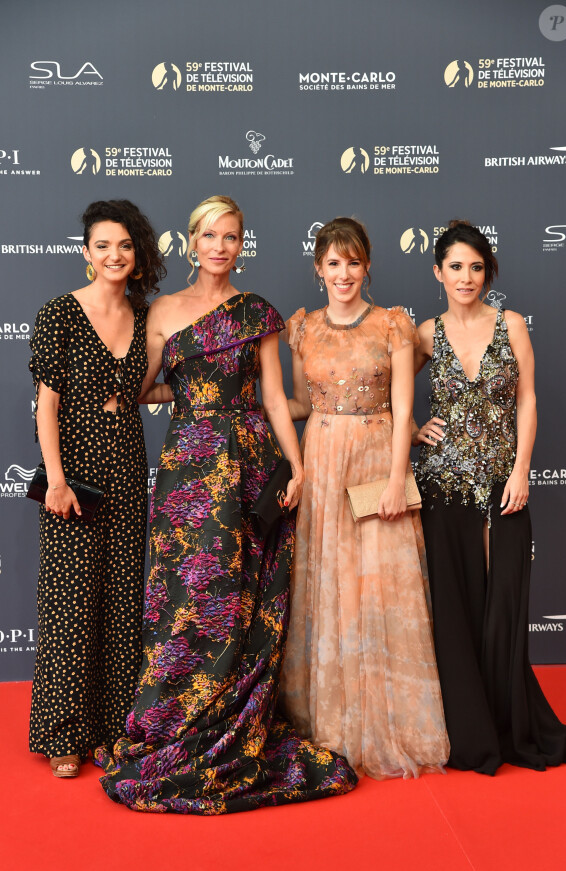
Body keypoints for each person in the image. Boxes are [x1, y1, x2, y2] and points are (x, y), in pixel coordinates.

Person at [95, 195, 357, 813]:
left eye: (231, 237)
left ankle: (234, 719)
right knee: (183, 598)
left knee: (242, 596)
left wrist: (294, 467)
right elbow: (143, 387)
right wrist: (180, 400)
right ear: (192, 241)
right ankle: (173, 718)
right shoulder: (161, 310)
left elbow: (273, 397)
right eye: (210, 235)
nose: (220, 246)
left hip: (249, 466)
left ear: (242, 244)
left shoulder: (257, 312)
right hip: (187, 471)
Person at [278, 217, 449, 779]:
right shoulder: (301, 329)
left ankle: (387, 718)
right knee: (329, 583)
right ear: (318, 268)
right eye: (333, 263)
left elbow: (403, 407)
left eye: (353, 262)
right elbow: (302, 404)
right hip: (324, 459)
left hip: (379, 459)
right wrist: (255, 416)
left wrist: (399, 477)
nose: (343, 273)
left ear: (367, 265)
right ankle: (332, 719)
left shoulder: (394, 325)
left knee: (382, 584)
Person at [413, 220, 566, 774]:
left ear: (489, 273)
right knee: (458, 611)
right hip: (444, 487)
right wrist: (413, 429)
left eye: (476, 267)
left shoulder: (511, 326)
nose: (466, 277)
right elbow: (378, 390)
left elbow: (528, 400)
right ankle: (472, 731)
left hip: (502, 483)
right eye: (455, 267)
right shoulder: (422, 333)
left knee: (503, 607)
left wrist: (521, 469)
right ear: (438, 272)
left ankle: (512, 724)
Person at [29, 200, 166, 777]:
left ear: (138, 256)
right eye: (103, 245)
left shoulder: (145, 315)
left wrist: (204, 396)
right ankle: (63, 734)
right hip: (76, 471)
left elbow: (140, 392)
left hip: (128, 469)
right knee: (69, 601)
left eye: (126, 246)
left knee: (119, 599)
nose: (115, 255)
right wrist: (56, 481)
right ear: (86, 252)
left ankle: (112, 729)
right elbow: (48, 404)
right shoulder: (59, 313)